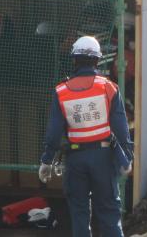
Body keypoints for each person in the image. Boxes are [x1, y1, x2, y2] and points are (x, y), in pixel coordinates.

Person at [39, 36, 132, 237]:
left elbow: (54, 132)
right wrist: (127, 156)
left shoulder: (61, 91)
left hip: (75, 159)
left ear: (74, 59)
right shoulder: (108, 87)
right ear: (97, 60)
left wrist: (47, 160)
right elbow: (121, 127)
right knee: (109, 212)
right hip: (104, 158)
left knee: (79, 212)